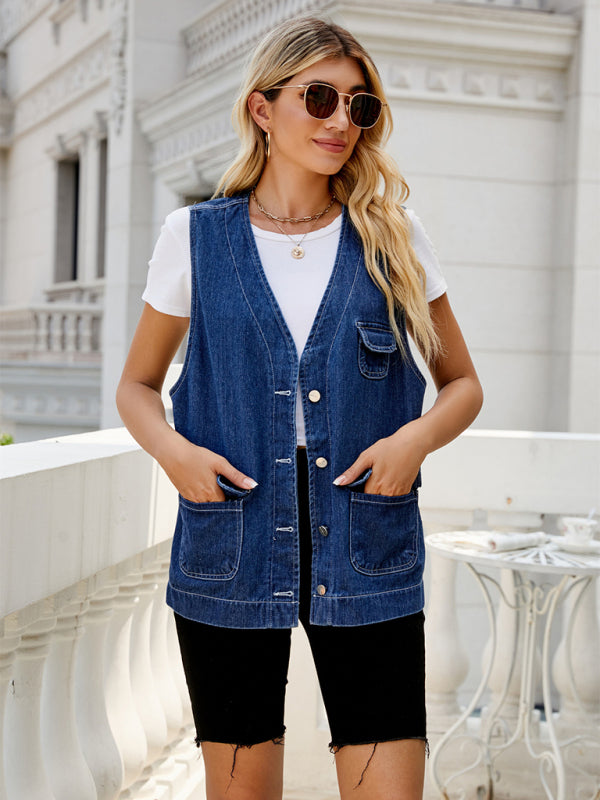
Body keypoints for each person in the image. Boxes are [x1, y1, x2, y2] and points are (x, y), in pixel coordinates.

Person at [116, 15, 483, 800]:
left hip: (368, 541)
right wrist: (176, 455)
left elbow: (463, 385)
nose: (341, 120)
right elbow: (136, 386)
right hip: (230, 539)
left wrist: (412, 443)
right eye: (320, 98)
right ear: (263, 107)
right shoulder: (193, 237)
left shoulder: (393, 237)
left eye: (360, 105)